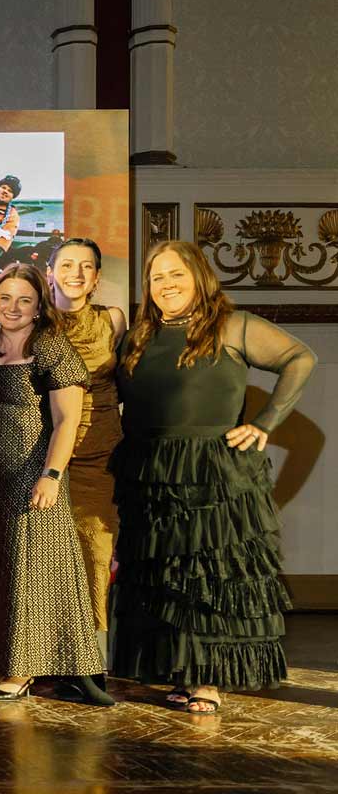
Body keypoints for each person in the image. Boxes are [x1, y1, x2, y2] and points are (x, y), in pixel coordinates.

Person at [113, 241, 316, 715]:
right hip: (150, 468)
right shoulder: (138, 335)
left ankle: (207, 680)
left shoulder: (232, 325)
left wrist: (265, 422)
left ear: (200, 276)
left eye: (177, 274)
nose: (167, 284)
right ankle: (178, 673)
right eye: (158, 276)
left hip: (215, 470)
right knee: (164, 576)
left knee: (209, 577)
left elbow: (300, 357)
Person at [0, 263, 109, 703]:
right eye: (4, 299)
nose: (13, 308)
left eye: (24, 300)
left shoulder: (51, 346)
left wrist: (51, 475)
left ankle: (20, 673)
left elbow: (67, 419)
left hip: (32, 471)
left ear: (38, 307)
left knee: (29, 572)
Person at [46, 238, 126, 698]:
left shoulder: (112, 320)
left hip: (99, 452)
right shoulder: (35, 319)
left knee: (95, 553)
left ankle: (91, 662)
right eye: (68, 265)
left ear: (96, 277)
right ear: (51, 272)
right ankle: (40, 654)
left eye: (87, 266)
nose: (77, 273)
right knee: (44, 559)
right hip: (44, 452)